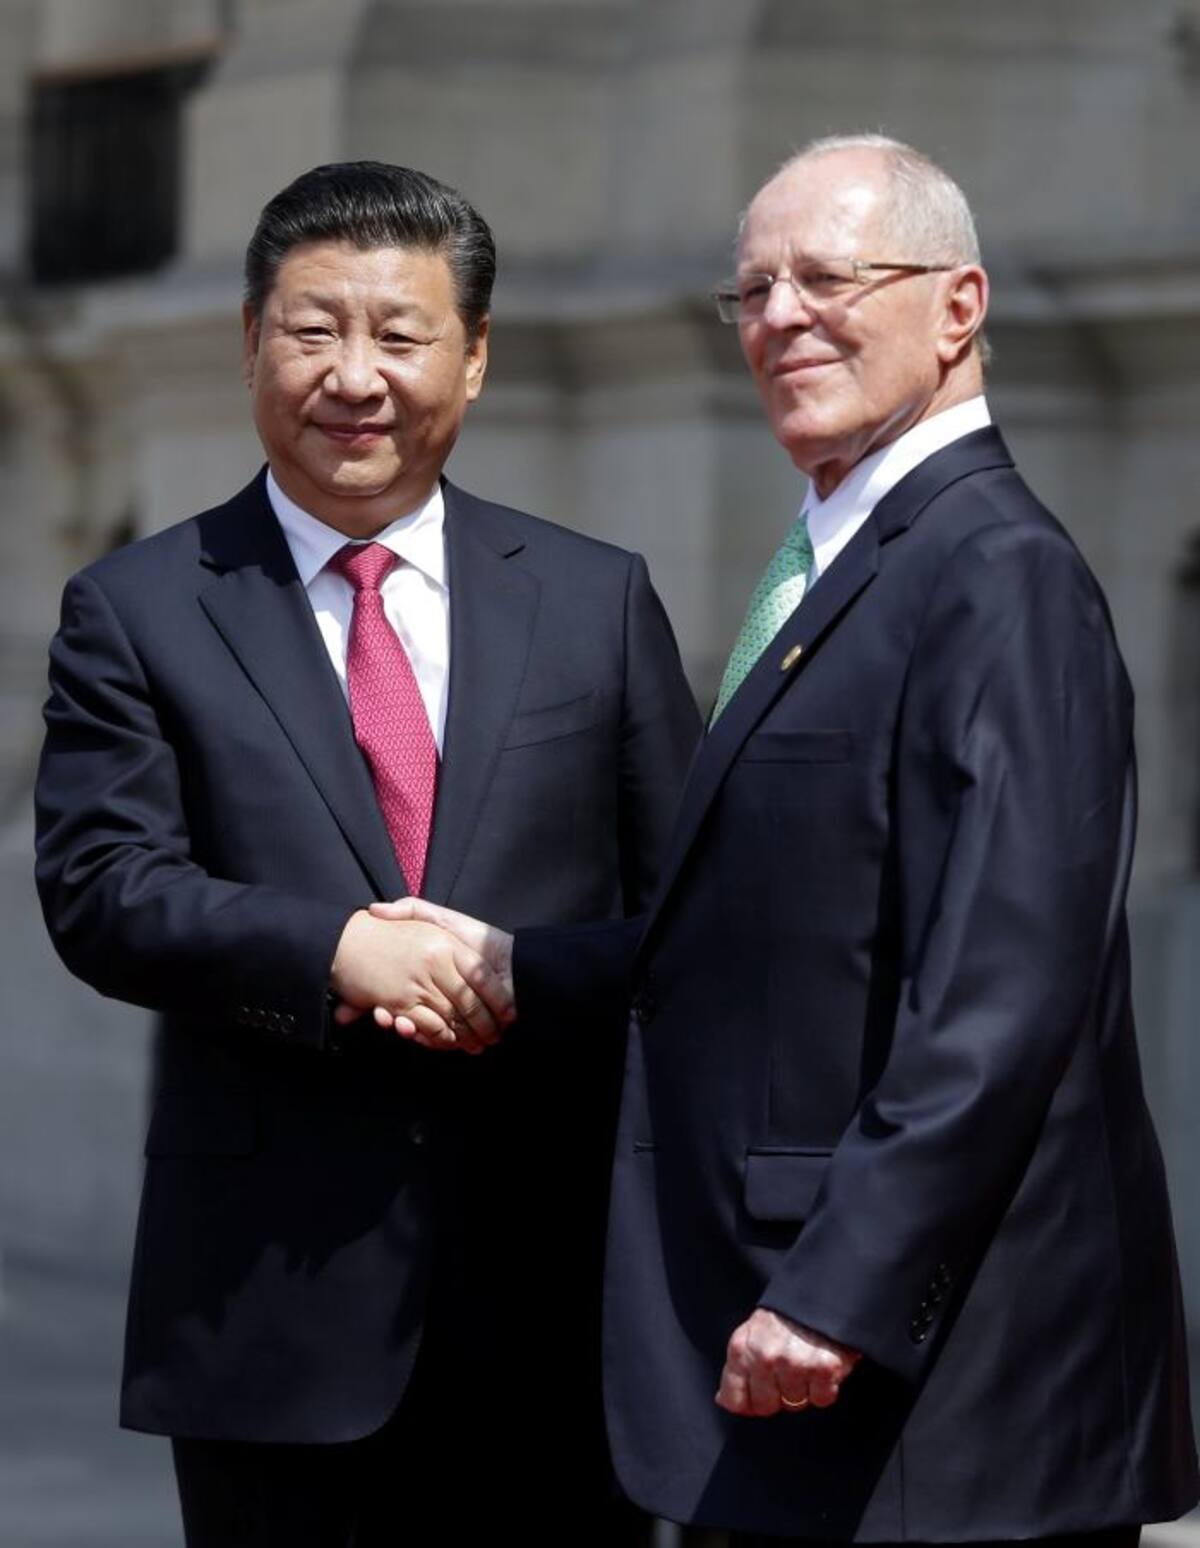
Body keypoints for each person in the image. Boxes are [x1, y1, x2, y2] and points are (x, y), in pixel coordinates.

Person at [379, 135, 1200, 1546]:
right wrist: (528, 968)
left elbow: (1004, 992)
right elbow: (782, 929)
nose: (779, 318)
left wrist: (840, 1291)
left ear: (959, 305)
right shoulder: (844, 561)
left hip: (922, 1400)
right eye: (751, 289)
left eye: (827, 277)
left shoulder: (999, 575)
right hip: (793, 1378)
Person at [34, 160, 699, 1547]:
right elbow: (104, 889)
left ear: (473, 357)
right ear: (250, 343)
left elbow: (695, 916)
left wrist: (520, 973)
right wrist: (335, 949)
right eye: (313, 329)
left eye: (399, 335)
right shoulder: (140, 609)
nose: (355, 374)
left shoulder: (597, 599)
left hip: (557, 1317)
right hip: (269, 1328)